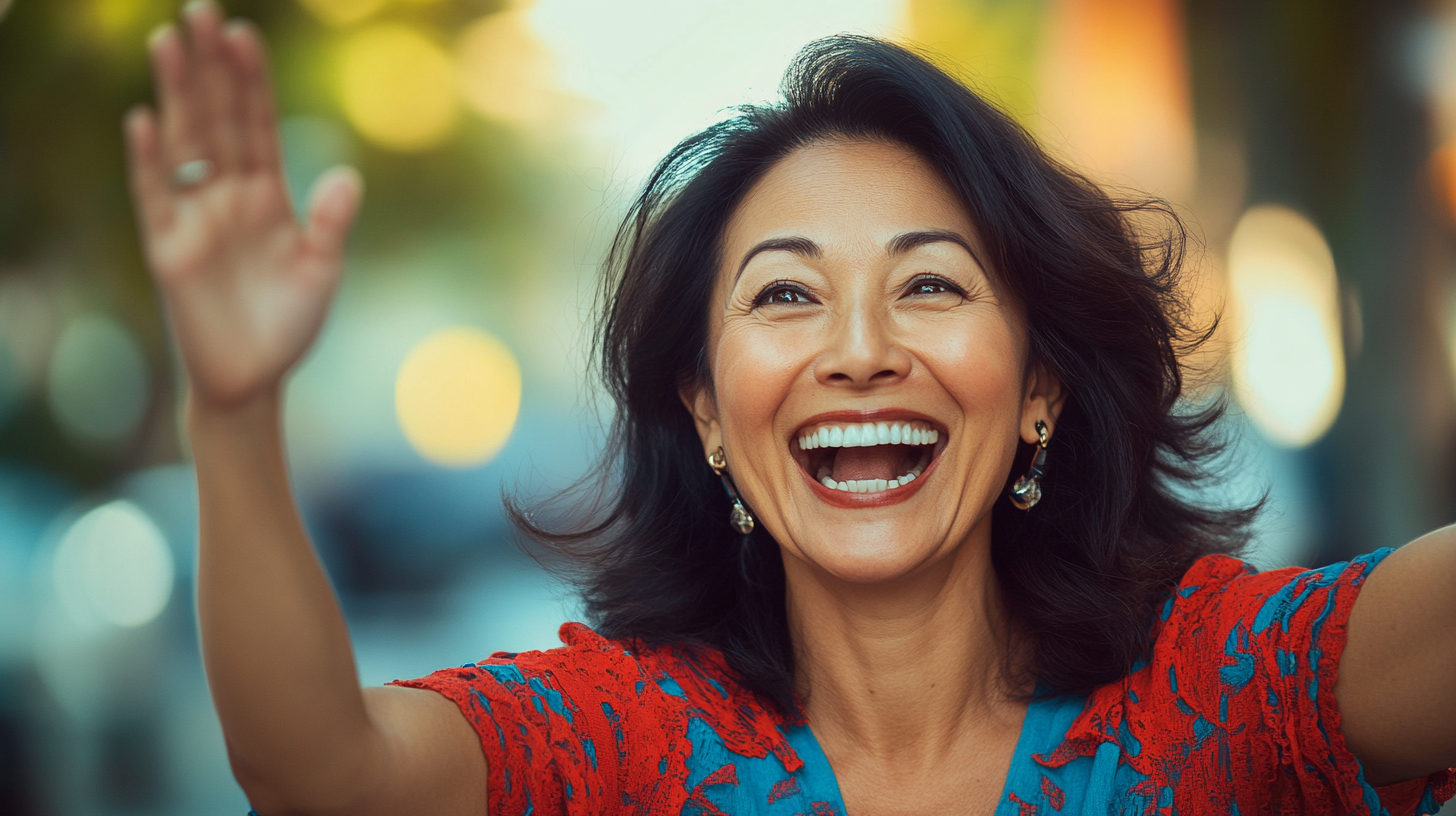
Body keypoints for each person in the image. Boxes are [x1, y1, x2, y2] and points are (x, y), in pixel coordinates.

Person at [123, 2, 1456, 814]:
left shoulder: (1227, 695)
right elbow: (321, 778)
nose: (861, 351)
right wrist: (233, 416)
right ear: (707, 414)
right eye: (784, 298)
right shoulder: (621, 751)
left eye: (930, 284)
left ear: (1040, 387)